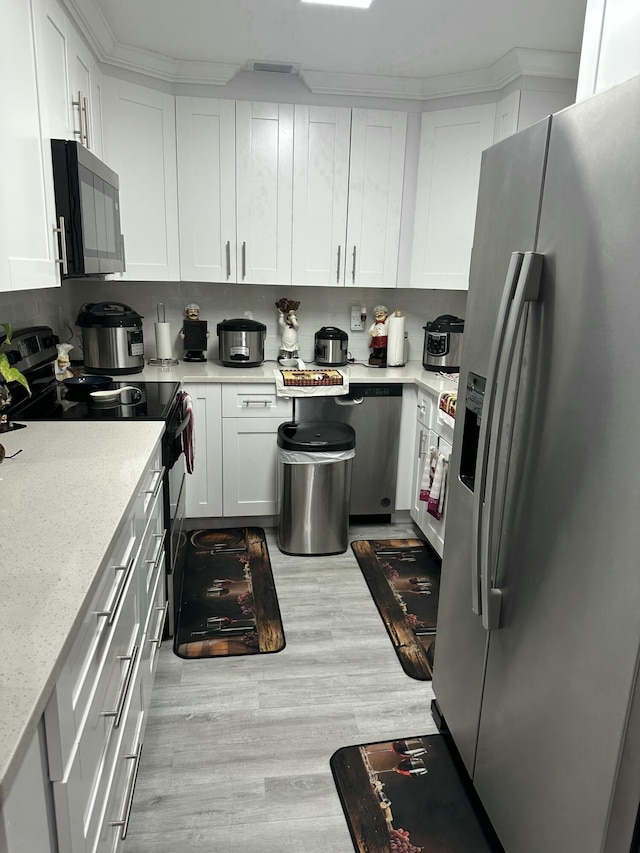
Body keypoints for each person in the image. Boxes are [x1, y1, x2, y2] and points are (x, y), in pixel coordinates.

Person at [275, 298, 301, 362]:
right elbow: (281, 322)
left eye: (291, 319)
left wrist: (292, 316)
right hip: (285, 339)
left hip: (293, 339)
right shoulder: (285, 326)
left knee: (294, 347)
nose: (290, 320)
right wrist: (281, 314)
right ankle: (285, 356)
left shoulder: (295, 327)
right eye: (288, 319)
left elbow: (295, 324)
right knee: (285, 348)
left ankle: (294, 356)